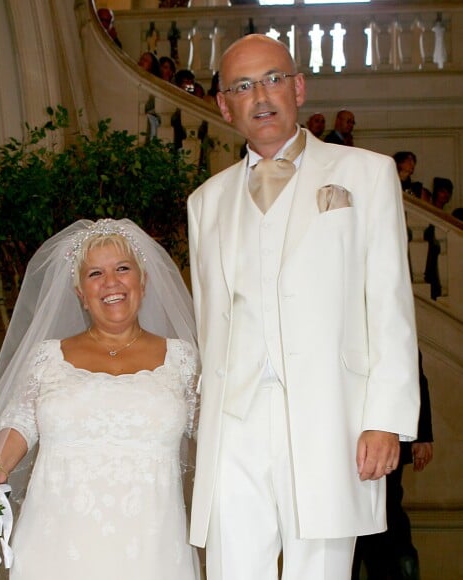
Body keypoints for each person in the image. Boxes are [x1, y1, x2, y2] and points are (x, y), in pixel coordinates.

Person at [187, 34, 419, 580]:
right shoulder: (205, 202)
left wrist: (385, 419)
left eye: (272, 79)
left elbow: (389, 302)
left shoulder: (367, 173)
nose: (260, 96)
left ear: (297, 87)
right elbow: (208, 323)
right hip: (234, 421)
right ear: (224, 105)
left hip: (330, 419)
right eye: (243, 86)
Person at [0, 219, 201, 580]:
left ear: (143, 280)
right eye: (95, 274)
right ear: (79, 293)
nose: (111, 283)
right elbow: (19, 422)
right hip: (55, 545)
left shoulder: (183, 359)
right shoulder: (46, 357)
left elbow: (217, 436)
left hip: (154, 548)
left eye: (123, 268)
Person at [352, 351, 433, 580]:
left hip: (385, 437)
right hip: (342, 435)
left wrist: (421, 434)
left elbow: (409, 364)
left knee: (388, 517)